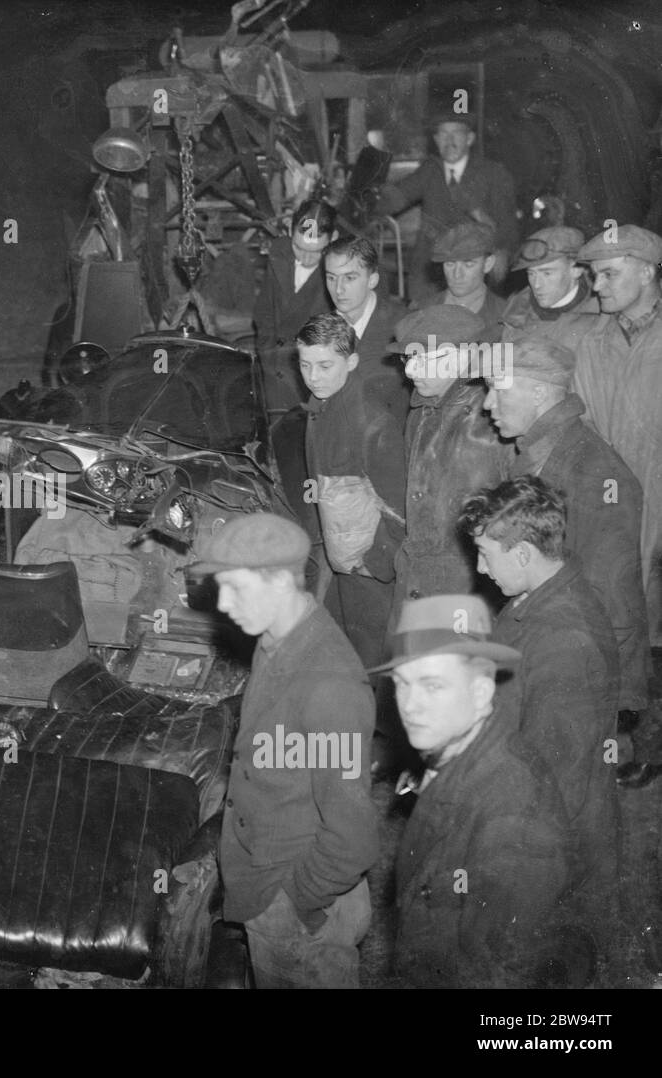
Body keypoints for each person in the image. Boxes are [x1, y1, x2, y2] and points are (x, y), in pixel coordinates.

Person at [189, 512, 378, 988]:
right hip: (268, 876)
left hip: (295, 900)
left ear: (280, 581)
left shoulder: (329, 686)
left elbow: (352, 835)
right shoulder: (275, 639)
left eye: (235, 588)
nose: (224, 606)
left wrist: (298, 905)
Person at [372, 595, 587, 988]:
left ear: (481, 692)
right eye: (402, 683)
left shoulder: (513, 818)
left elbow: (497, 968)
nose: (410, 706)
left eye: (432, 685)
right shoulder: (456, 750)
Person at [459, 476, 622, 961]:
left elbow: (552, 775)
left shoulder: (564, 638)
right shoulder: (536, 597)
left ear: (525, 553)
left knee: (525, 958)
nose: (480, 570)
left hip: (545, 843)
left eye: (487, 555)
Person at [481, 337, 650, 732]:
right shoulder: (539, 452)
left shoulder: (594, 471)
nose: (488, 404)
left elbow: (611, 598)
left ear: (539, 392)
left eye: (498, 389)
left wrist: (612, 700)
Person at [298, 312, 406, 678]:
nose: (313, 377)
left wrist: (374, 562)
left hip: (370, 574)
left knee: (370, 668)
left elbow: (400, 512)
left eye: (325, 366)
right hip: (338, 560)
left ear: (352, 361)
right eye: (305, 364)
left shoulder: (374, 425)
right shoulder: (318, 412)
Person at [573, 225, 662, 653]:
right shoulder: (592, 341)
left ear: (646, 274)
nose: (597, 285)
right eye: (594, 275)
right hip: (615, 504)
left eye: (609, 274)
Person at [390, 305, 512, 609]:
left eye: (421, 359)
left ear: (463, 356)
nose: (408, 370)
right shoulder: (422, 409)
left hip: (471, 586)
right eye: (407, 358)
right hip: (418, 579)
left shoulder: (496, 416)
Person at [376, 113, 518, 303]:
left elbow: (508, 226)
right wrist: (366, 194)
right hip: (431, 271)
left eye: (456, 134)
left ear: (470, 138)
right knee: (428, 327)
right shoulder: (430, 170)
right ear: (435, 140)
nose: (449, 141)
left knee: (468, 324)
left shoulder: (493, 174)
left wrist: (502, 250)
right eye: (443, 134)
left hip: (471, 270)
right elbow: (394, 198)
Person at [253, 200, 336, 415]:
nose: (306, 258)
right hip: (273, 368)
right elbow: (264, 312)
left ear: (332, 239)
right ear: (290, 229)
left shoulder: (342, 270)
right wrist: (267, 356)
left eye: (317, 251)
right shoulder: (279, 251)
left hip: (314, 377)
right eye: (298, 247)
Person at [322, 235, 407, 393]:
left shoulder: (404, 326)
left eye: (349, 278)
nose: (338, 289)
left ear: (372, 280)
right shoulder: (319, 329)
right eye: (331, 278)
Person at [500, 225, 599, 347]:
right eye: (531, 273)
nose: (536, 284)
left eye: (547, 273)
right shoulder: (515, 316)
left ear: (576, 270)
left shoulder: (602, 317)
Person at [411, 220, 507, 340]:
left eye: (468, 264)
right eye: (450, 264)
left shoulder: (506, 317)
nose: (457, 274)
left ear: (488, 264)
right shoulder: (421, 312)